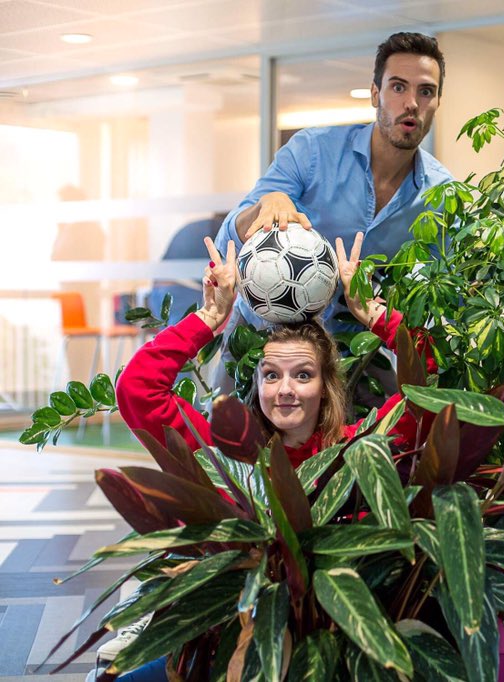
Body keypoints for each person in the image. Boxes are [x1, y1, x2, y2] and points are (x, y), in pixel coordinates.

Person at [93, 234, 430, 681]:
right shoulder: (228, 458)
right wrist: (209, 318)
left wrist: (375, 315)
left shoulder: (359, 448)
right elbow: (138, 389)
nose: (285, 389)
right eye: (272, 375)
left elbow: (427, 384)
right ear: (258, 385)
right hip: (230, 647)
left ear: (326, 388)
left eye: (303, 375)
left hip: (337, 653)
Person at [215, 32, 453, 336]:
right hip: (268, 340)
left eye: (426, 91)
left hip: (362, 350)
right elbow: (226, 247)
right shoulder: (312, 151)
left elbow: (448, 293)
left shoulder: (441, 193)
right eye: (398, 87)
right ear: (375, 94)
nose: (411, 103)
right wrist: (265, 204)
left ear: (438, 102)